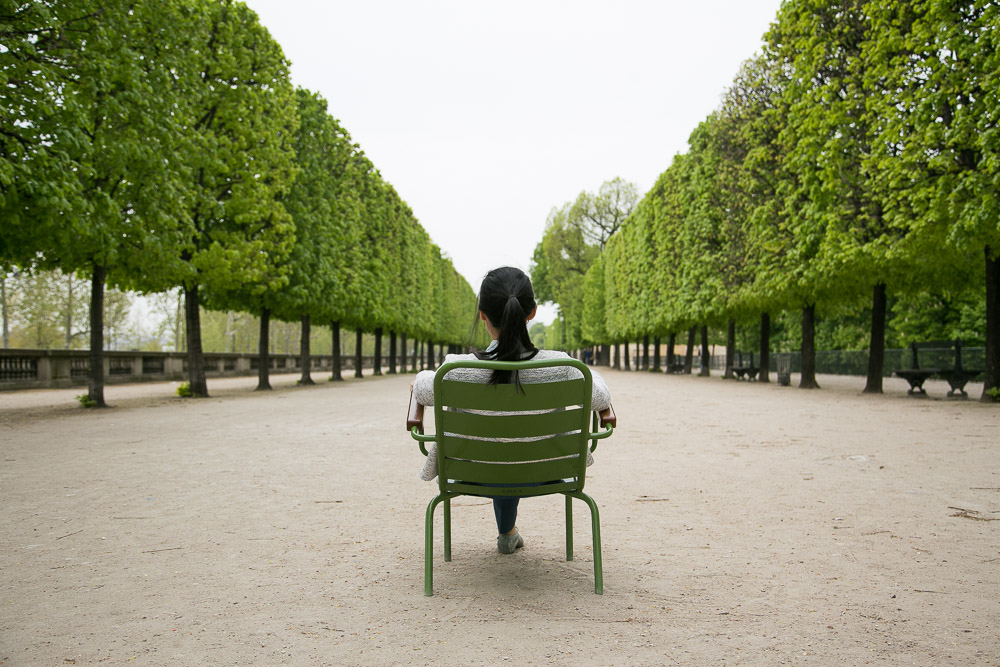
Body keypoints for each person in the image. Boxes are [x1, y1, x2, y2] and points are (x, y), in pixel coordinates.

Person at [411, 266, 611, 554]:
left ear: (482, 314)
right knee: (513, 447)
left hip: (474, 469)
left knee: (499, 447)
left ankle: (508, 533)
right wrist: (591, 373)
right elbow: (601, 397)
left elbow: (421, 386)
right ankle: (508, 533)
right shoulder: (564, 367)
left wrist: (419, 379)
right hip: (547, 468)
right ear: (532, 312)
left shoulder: (455, 370)